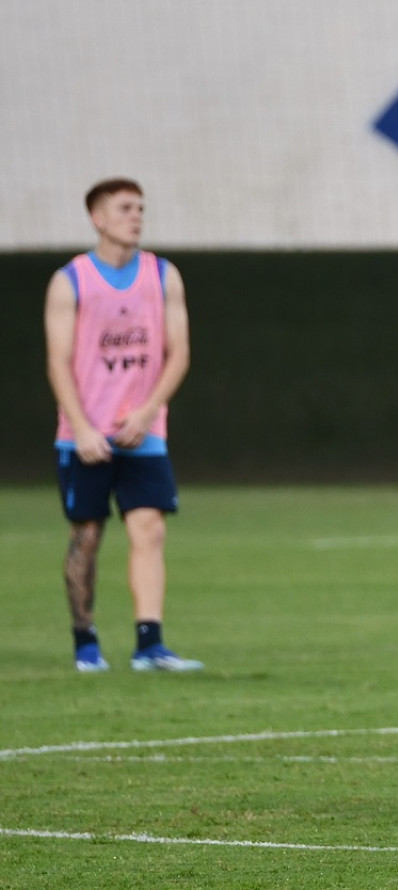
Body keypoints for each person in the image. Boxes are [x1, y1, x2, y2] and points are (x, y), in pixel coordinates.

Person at [44, 178, 203, 673]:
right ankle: (85, 640)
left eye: (140, 207)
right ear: (98, 217)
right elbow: (58, 362)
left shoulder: (162, 276)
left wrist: (148, 410)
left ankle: (149, 643)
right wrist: (83, 427)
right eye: (125, 207)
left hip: (144, 431)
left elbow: (179, 354)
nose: (136, 215)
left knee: (149, 528)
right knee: (86, 534)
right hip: (84, 433)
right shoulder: (70, 280)